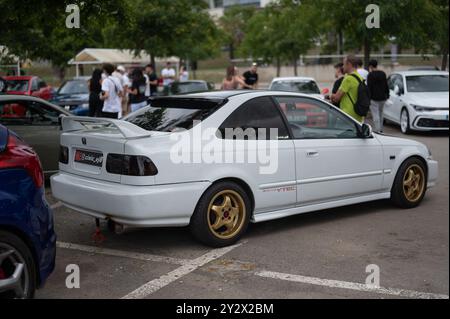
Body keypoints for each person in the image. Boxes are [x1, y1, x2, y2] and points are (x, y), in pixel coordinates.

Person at [331, 55, 365, 123]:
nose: (342, 67)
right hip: (358, 115)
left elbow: (336, 98)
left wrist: (330, 96)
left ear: (349, 64)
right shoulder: (359, 77)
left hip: (347, 116)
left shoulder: (348, 79)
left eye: (344, 64)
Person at [367, 59, 390, 133]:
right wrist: (387, 94)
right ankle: (381, 129)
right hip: (383, 97)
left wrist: (368, 97)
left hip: (374, 98)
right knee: (381, 113)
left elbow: (369, 87)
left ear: (370, 66)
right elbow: (386, 85)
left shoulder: (370, 75)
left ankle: (377, 130)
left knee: (375, 114)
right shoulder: (383, 73)